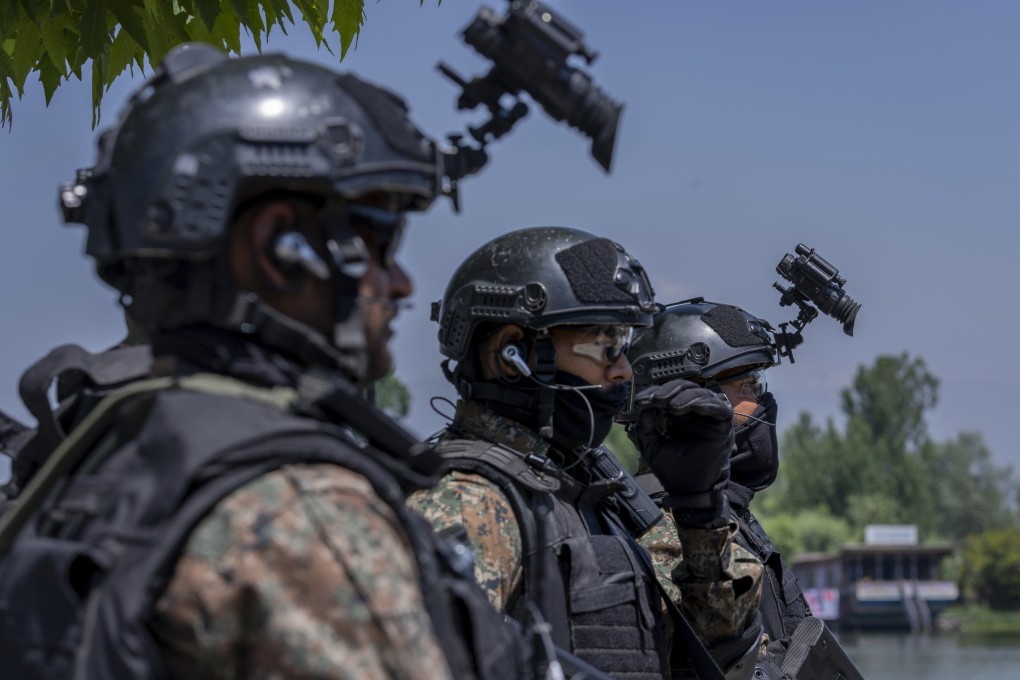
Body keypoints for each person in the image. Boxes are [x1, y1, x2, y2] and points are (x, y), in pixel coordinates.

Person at [0, 43, 525, 679]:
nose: (403, 284)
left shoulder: (98, 446)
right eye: (381, 245)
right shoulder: (300, 507)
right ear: (279, 248)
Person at [409, 227, 763, 679]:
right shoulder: (471, 505)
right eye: (603, 345)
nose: (622, 371)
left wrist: (699, 510)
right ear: (510, 351)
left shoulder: (596, 497)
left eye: (624, 346)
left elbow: (725, 644)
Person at [627, 300, 820, 673]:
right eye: (747, 385)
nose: (762, 402)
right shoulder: (667, 529)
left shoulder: (723, 515)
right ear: (693, 401)